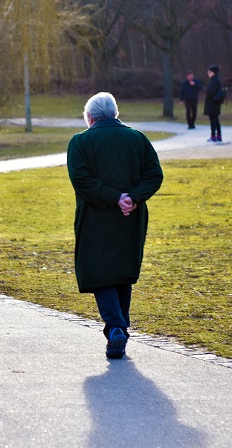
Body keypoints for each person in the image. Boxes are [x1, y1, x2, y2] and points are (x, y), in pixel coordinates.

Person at [67, 92, 164, 359]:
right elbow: (154, 174)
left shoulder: (80, 142)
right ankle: (119, 329)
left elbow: (81, 179)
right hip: (130, 216)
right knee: (121, 271)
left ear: (90, 117)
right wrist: (131, 197)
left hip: (96, 217)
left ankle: (116, 328)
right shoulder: (137, 138)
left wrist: (113, 197)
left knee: (101, 273)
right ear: (115, 113)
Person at [204, 64, 225, 142]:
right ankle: (218, 135)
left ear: (214, 72)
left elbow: (211, 92)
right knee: (215, 120)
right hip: (214, 103)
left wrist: (208, 95)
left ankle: (213, 136)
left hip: (212, 103)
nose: (208, 73)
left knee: (213, 120)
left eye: (210, 71)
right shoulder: (215, 80)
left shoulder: (214, 80)